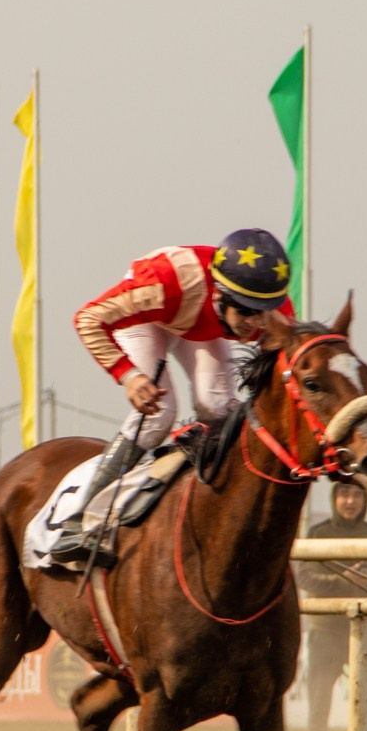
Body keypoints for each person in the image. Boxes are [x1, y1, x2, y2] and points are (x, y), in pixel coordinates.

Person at [48, 227, 295, 563]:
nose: (255, 325)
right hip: (152, 316)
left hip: (199, 322)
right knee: (160, 414)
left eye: (264, 313)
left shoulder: (274, 310)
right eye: (248, 313)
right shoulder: (162, 286)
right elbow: (88, 318)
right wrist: (129, 377)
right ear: (221, 294)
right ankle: (75, 521)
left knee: (218, 407)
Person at [294, 478, 367, 731]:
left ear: (365, 500)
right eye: (345, 494)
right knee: (319, 706)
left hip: (362, 630)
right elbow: (306, 579)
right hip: (324, 632)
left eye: (356, 495)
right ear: (335, 498)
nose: (350, 501)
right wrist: (345, 579)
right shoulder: (318, 533)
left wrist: (360, 582)